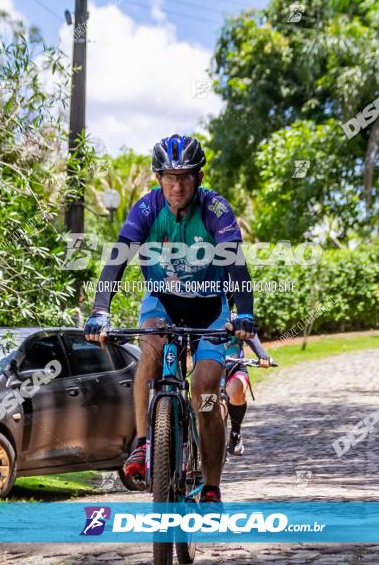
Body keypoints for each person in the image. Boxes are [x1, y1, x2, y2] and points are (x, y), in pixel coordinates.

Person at [83, 134, 257, 503]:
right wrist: (100, 310)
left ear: (198, 177)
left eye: (185, 177)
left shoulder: (215, 210)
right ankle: (144, 444)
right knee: (149, 348)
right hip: (163, 302)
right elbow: (118, 258)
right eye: (169, 177)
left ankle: (211, 487)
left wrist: (244, 312)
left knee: (206, 392)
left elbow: (236, 266)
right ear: (158, 178)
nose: (177, 185)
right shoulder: (147, 209)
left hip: (210, 309)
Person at [223, 314, 271, 456]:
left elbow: (250, 334)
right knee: (205, 402)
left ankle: (235, 432)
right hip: (208, 368)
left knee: (238, 390)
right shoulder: (197, 312)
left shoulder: (235, 316)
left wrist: (262, 355)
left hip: (234, 366)